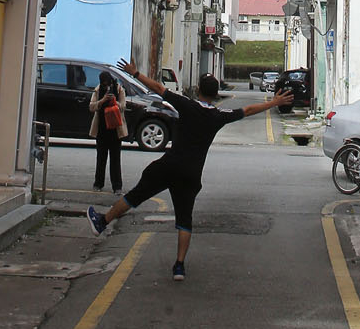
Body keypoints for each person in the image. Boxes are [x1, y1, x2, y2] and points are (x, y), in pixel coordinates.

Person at [89, 61, 292, 279]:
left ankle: (103, 221)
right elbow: (248, 110)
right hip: (192, 173)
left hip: (169, 165)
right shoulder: (218, 116)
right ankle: (179, 266)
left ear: (197, 90)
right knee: (185, 218)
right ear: (216, 95)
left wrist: (136, 73)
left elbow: (159, 89)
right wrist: (274, 102)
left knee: (135, 195)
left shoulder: (187, 105)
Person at [89, 69, 127, 195]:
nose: (106, 85)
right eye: (104, 83)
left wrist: (114, 101)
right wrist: (103, 100)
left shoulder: (119, 89)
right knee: (101, 158)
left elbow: (123, 106)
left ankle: (117, 186)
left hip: (115, 129)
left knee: (115, 159)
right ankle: (98, 183)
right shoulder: (98, 89)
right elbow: (92, 106)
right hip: (102, 129)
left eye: (108, 83)